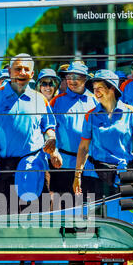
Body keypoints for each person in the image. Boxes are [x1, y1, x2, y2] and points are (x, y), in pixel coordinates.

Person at [0, 53, 62, 213]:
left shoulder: (40, 99)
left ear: (32, 74)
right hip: (3, 169)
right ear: (10, 71)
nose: (22, 72)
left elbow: (48, 128)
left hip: (34, 167)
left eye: (26, 69)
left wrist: (53, 147)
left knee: (38, 218)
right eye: (18, 69)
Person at [73, 69, 133, 200]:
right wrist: (77, 176)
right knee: (99, 218)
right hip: (96, 176)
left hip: (124, 175)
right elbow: (84, 148)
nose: (95, 92)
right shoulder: (90, 116)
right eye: (94, 88)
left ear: (112, 88)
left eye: (100, 88)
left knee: (126, 215)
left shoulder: (130, 112)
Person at [50, 62, 97, 197]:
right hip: (63, 165)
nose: (72, 81)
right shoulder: (57, 102)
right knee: (64, 208)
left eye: (77, 76)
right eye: (69, 76)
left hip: (89, 166)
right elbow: (49, 129)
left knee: (89, 211)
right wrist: (53, 153)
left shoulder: (95, 101)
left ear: (86, 78)